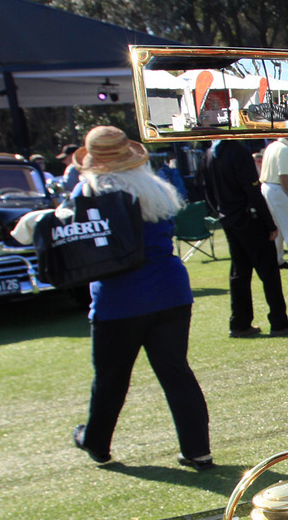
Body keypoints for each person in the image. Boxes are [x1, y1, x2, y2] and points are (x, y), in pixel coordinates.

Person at [11, 126, 213, 470]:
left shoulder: (87, 193)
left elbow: (31, 232)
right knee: (176, 372)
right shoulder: (156, 189)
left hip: (118, 299)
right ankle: (198, 449)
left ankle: (97, 443)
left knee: (110, 376)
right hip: (169, 291)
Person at [202, 138, 288, 338]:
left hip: (229, 218)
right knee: (269, 271)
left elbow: (207, 190)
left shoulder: (209, 154)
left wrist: (222, 213)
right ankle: (278, 321)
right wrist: (269, 223)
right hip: (249, 217)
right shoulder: (237, 151)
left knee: (239, 272)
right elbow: (251, 189)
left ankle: (240, 322)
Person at [259, 135, 288, 267]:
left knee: (276, 225)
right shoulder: (284, 149)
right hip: (279, 188)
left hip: (269, 187)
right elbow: (283, 174)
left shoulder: (271, 147)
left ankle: (277, 258)